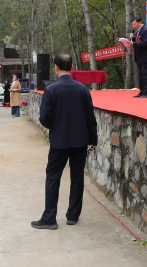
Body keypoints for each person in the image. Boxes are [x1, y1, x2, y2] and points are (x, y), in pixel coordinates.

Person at [32, 54, 97, 230]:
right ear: (72, 67)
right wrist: (93, 140)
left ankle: (49, 218)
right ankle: (73, 216)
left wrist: (55, 127)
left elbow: (44, 117)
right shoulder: (83, 90)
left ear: (56, 67)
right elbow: (90, 118)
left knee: (53, 176)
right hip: (80, 141)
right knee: (77, 177)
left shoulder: (51, 90)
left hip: (59, 141)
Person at [130, 17, 147, 98]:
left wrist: (134, 43)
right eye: (132, 24)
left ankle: (146, 93)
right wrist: (133, 39)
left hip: (146, 56)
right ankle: (142, 92)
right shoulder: (138, 31)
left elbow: (146, 43)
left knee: (146, 75)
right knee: (141, 75)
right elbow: (138, 42)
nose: (133, 26)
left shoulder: (145, 30)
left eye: (134, 24)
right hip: (140, 56)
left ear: (139, 22)